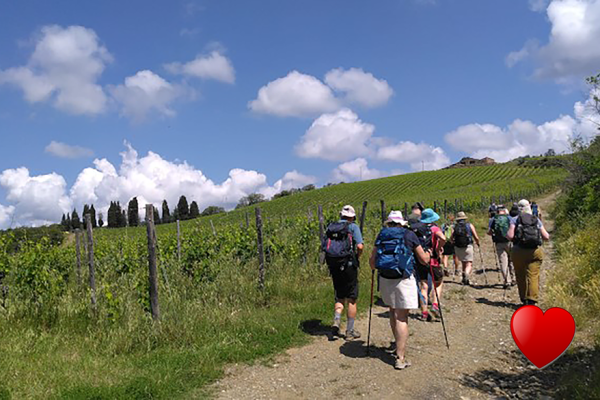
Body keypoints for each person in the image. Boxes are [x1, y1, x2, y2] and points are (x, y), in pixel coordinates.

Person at [370, 211, 430, 370]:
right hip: (404, 278)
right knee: (402, 317)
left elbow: (372, 262)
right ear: (401, 222)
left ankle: (397, 345)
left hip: (385, 277)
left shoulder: (382, 235)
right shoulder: (409, 234)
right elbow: (423, 260)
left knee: (392, 311)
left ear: (389, 223)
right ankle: (400, 357)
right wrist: (429, 255)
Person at [323, 205, 364, 340]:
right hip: (349, 265)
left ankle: (336, 322)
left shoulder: (331, 227)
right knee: (351, 298)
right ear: (352, 216)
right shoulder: (353, 227)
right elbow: (359, 246)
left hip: (334, 265)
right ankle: (350, 331)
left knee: (339, 296)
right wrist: (358, 256)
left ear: (341, 215)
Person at [507, 199, 550, 306]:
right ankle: (532, 299)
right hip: (534, 251)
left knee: (520, 274)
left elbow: (510, 236)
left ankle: (523, 298)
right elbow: (546, 237)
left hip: (518, 251)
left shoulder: (515, 219)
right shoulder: (535, 219)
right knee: (533, 275)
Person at [416, 208, 446, 321]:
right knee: (438, 283)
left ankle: (424, 312)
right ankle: (435, 304)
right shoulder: (434, 228)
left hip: (421, 260)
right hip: (433, 260)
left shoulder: (418, 230)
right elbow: (443, 238)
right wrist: (438, 248)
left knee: (423, 286)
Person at [487, 205, 516, 289]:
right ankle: (514, 279)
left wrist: (494, 234)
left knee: (503, 262)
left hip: (499, 243)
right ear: (504, 211)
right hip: (510, 242)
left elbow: (489, 232)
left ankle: (507, 281)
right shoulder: (510, 218)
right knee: (511, 260)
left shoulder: (493, 219)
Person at [452, 211, 480, 286]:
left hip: (458, 247)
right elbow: (476, 236)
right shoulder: (469, 225)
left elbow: (451, 238)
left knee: (463, 262)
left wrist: (453, 244)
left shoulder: (454, 227)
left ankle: (463, 278)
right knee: (469, 263)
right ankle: (466, 274)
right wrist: (477, 242)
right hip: (468, 246)